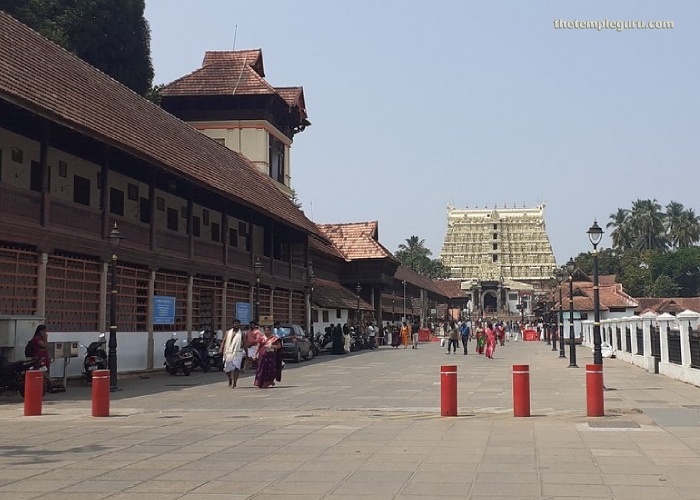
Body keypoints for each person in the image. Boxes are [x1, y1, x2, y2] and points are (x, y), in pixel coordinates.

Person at [221, 319, 245, 388]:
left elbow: (245, 343)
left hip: (238, 352)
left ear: (239, 325)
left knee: (236, 368)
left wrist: (247, 352)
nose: (236, 325)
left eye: (238, 323)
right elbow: (224, 341)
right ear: (233, 324)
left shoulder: (242, 333)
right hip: (228, 352)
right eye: (235, 323)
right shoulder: (228, 332)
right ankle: (230, 378)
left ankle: (235, 382)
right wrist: (221, 348)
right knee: (226, 368)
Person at [29, 324, 52, 391]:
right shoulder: (37, 339)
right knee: (43, 371)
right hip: (39, 357)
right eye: (44, 331)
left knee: (46, 370)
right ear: (41, 331)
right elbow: (44, 346)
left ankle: (47, 385)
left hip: (45, 356)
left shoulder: (41, 338)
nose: (45, 332)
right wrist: (46, 338)